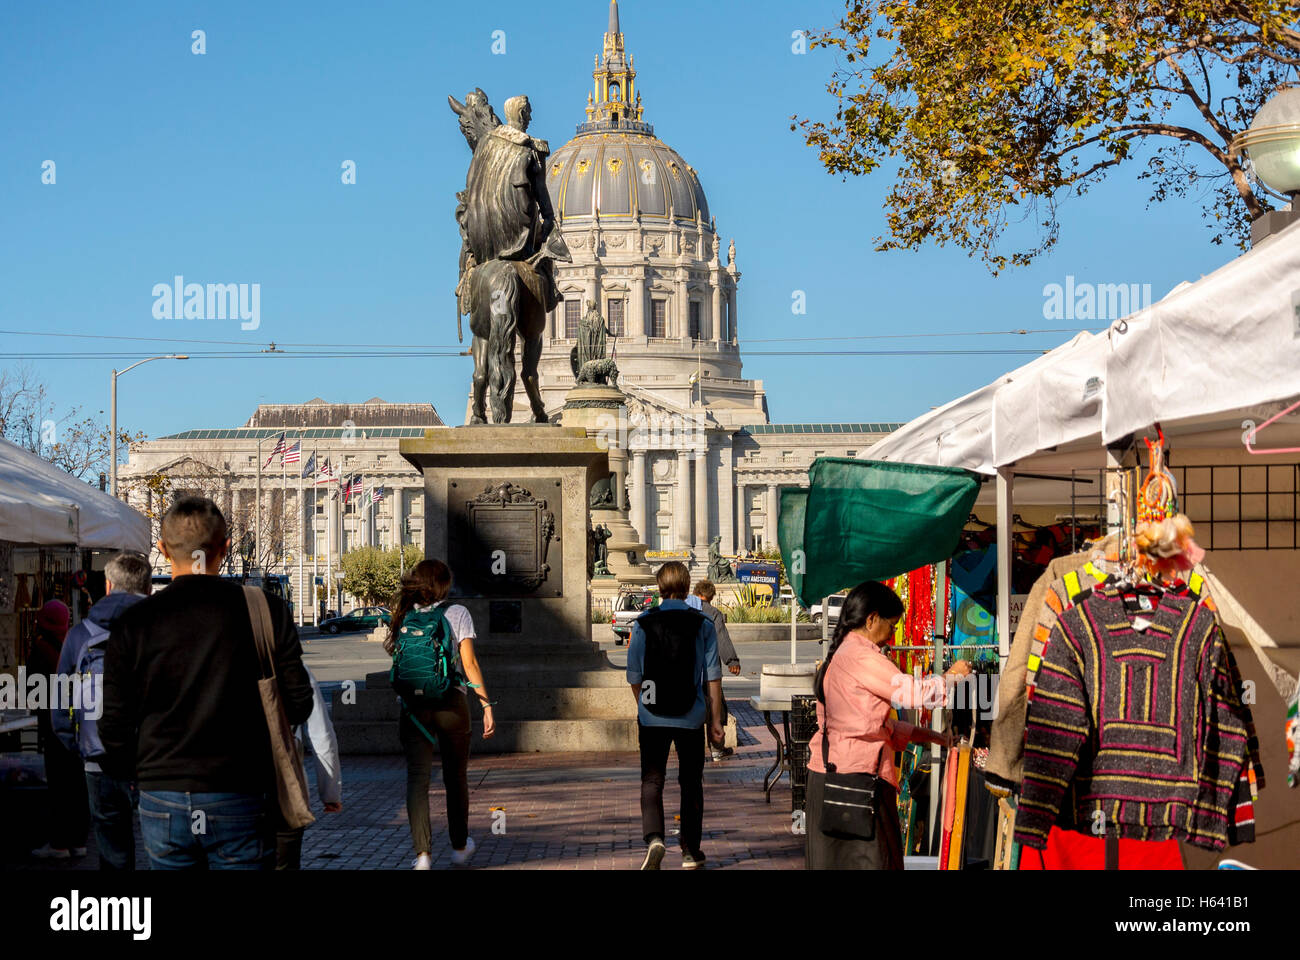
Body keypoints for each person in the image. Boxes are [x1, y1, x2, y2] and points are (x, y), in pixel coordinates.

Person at [100, 496, 314, 870]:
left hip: (161, 788)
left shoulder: (134, 623)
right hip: (240, 788)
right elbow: (298, 703)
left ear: (163, 549)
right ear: (226, 547)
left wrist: (138, 773)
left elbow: (113, 723)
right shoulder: (265, 609)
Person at [806, 580, 971, 870]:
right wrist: (953, 675)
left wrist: (933, 737)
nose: (894, 633)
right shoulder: (861, 656)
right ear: (871, 619)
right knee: (875, 861)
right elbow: (916, 694)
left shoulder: (843, 653)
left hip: (832, 776)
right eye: (892, 624)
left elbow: (869, 725)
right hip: (857, 779)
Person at [382, 559, 494, 869]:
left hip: (413, 709)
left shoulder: (404, 614)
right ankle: (459, 847)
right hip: (451, 703)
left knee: (417, 780)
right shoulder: (457, 613)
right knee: (454, 777)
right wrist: (485, 704)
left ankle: (422, 855)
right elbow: (469, 664)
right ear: (444, 584)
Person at [52, 552, 151, 869]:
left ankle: (119, 913)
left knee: (112, 851)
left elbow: (59, 698)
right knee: (165, 850)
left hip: (97, 758)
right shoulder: (160, 629)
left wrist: (77, 744)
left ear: (108, 586)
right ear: (147, 588)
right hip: (153, 760)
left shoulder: (79, 634)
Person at [626, 561, 723, 870]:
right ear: (686, 586)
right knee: (691, 781)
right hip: (691, 714)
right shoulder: (703, 624)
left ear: (659, 587)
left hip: (652, 715)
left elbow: (633, 676)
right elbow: (713, 678)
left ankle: (654, 838)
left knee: (652, 779)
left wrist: (645, 704)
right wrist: (716, 722)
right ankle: (690, 851)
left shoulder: (642, 623)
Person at [28, 600, 89, 859]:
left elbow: (34, 694)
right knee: (75, 783)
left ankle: (59, 844)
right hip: (77, 725)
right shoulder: (73, 646)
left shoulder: (41, 649)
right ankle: (77, 840)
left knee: (58, 785)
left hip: (54, 726)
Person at [275, 666, 343, 869]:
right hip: (287, 790)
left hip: (227, 793)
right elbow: (322, 736)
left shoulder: (216, 661)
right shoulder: (294, 669)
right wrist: (330, 794)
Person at [691, 580, 741, 762]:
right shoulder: (713, 613)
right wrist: (732, 660)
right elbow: (722, 638)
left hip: (685, 671)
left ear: (695, 592)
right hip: (708, 671)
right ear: (710, 597)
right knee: (715, 708)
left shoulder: (682, 609)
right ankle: (716, 749)